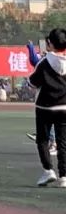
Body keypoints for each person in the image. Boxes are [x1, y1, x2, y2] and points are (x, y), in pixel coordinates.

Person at [29, 28, 66, 187]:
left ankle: (48, 170)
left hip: (44, 106)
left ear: (50, 43)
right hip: (64, 107)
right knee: (62, 142)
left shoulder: (44, 62)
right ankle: (64, 176)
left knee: (42, 140)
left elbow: (32, 82)